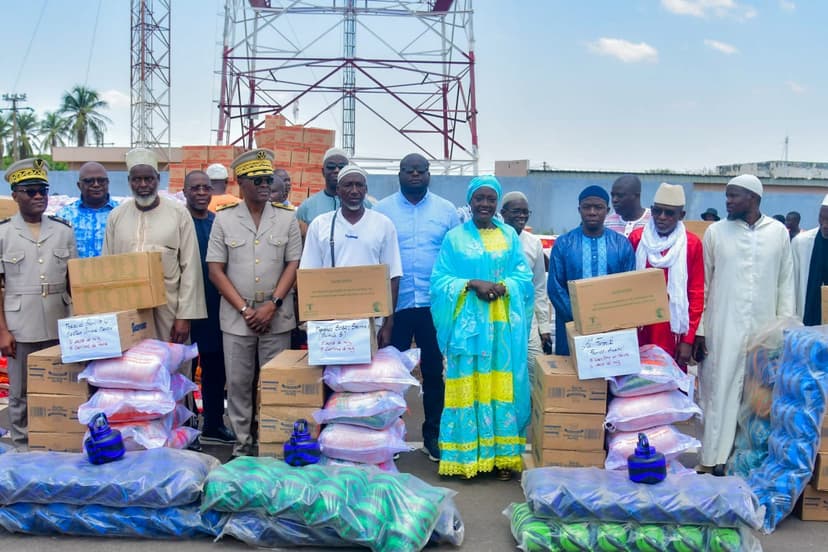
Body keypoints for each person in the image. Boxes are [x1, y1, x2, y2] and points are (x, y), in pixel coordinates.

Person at [430, 175, 533, 481]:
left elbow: (523, 276)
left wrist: (503, 286)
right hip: (468, 327)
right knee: (469, 386)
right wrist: (472, 284)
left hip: (501, 326)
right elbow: (439, 281)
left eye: (491, 199)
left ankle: (502, 458)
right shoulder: (455, 238)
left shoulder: (509, 237)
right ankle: (466, 458)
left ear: (496, 203)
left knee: (500, 388)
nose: (485, 204)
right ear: (470, 201)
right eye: (479, 198)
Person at [693, 174, 794, 475]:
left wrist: (784, 329)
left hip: (764, 330)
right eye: (727, 196)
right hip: (722, 327)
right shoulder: (715, 232)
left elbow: (785, 283)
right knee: (718, 390)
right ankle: (712, 458)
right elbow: (705, 286)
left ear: (753, 198)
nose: (728, 202)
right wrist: (700, 330)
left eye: (734, 196)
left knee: (757, 396)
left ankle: (744, 461)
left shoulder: (778, 233)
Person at [206, 149, 302, 458]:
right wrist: (246, 310)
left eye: (268, 179)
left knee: (275, 383)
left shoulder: (287, 218)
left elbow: (294, 264)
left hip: (277, 313)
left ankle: (272, 443)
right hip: (238, 316)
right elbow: (215, 270)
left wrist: (272, 304)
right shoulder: (224, 219)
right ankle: (242, 443)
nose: (265, 184)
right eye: (257, 179)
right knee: (238, 384)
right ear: (240, 182)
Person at [374, 153, 460, 462]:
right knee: (390, 374)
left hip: (433, 305)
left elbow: (455, 254)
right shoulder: (382, 210)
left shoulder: (446, 211)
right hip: (394, 306)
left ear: (429, 174)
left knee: (435, 373)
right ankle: (389, 435)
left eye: (420, 170)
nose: (414, 175)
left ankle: (433, 436)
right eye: (408, 170)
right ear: (398, 173)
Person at [0, 158, 78, 448]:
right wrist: (2, 330)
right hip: (20, 324)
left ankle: (56, 440)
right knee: (20, 390)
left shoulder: (63, 230)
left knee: (60, 386)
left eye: (43, 191)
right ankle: (22, 443)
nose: (38, 197)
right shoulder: (3, 233)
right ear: (15, 194)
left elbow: (74, 280)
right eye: (30, 191)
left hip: (59, 320)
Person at [102, 148, 206, 343]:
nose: (143, 185)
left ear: (158, 179)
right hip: (128, 311)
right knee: (133, 366)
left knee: (170, 365)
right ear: (129, 181)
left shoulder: (179, 214)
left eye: (148, 179)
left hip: (169, 311)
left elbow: (190, 268)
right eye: (137, 179)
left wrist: (184, 317)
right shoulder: (116, 216)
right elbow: (108, 267)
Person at [300, 164, 402, 347]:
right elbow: (309, 276)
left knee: (367, 373)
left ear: (366, 189)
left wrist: (389, 322)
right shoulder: (320, 224)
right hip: (330, 322)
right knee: (332, 374)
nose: (354, 191)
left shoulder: (383, 224)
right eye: (348, 185)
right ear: (338, 190)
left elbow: (393, 276)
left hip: (371, 320)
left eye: (359, 185)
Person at [547, 185, 636, 356]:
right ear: (579, 209)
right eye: (587, 207)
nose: (592, 212)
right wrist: (580, 320)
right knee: (572, 378)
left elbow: (628, 288)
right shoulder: (564, 243)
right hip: (572, 326)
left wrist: (606, 322)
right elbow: (555, 287)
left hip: (611, 330)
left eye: (598, 207)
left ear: (608, 210)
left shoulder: (621, 244)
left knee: (608, 377)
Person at [182, 170, 236, 444]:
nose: (202, 192)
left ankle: (213, 424)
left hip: (216, 308)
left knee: (215, 370)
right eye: (195, 188)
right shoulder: (179, 222)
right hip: (185, 309)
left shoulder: (219, 223)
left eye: (206, 188)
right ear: (185, 192)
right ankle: (187, 426)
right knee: (184, 372)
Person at [628, 183, 704, 369]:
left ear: (681, 215)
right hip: (639, 328)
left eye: (669, 213)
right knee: (635, 389)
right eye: (657, 211)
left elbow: (696, 293)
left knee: (671, 391)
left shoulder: (692, 244)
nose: (662, 217)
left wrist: (687, 339)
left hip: (673, 331)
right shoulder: (637, 239)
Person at [500, 191, 553, 377]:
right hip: (497, 315)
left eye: (525, 212)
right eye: (516, 211)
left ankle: (531, 406)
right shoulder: (492, 239)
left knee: (534, 367)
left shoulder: (533, 243)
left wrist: (544, 328)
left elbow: (539, 287)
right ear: (503, 213)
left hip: (525, 315)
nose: (521, 216)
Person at [296, 148, 373, 233]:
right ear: (323, 172)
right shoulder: (307, 207)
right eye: (331, 167)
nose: (336, 170)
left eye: (341, 167)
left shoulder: (367, 205)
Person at [56, 161, 118, 258]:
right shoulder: (64, 216)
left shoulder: (120, 213)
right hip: (76, 272)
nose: (96, 185)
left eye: (101, 180)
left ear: (108, 183)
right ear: (79, 185)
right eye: (89, 181)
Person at [792, 195, 828, 325]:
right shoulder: (801, 243)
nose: (824, 225)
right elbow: (793, 285)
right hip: (808, 319)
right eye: (821, 218)